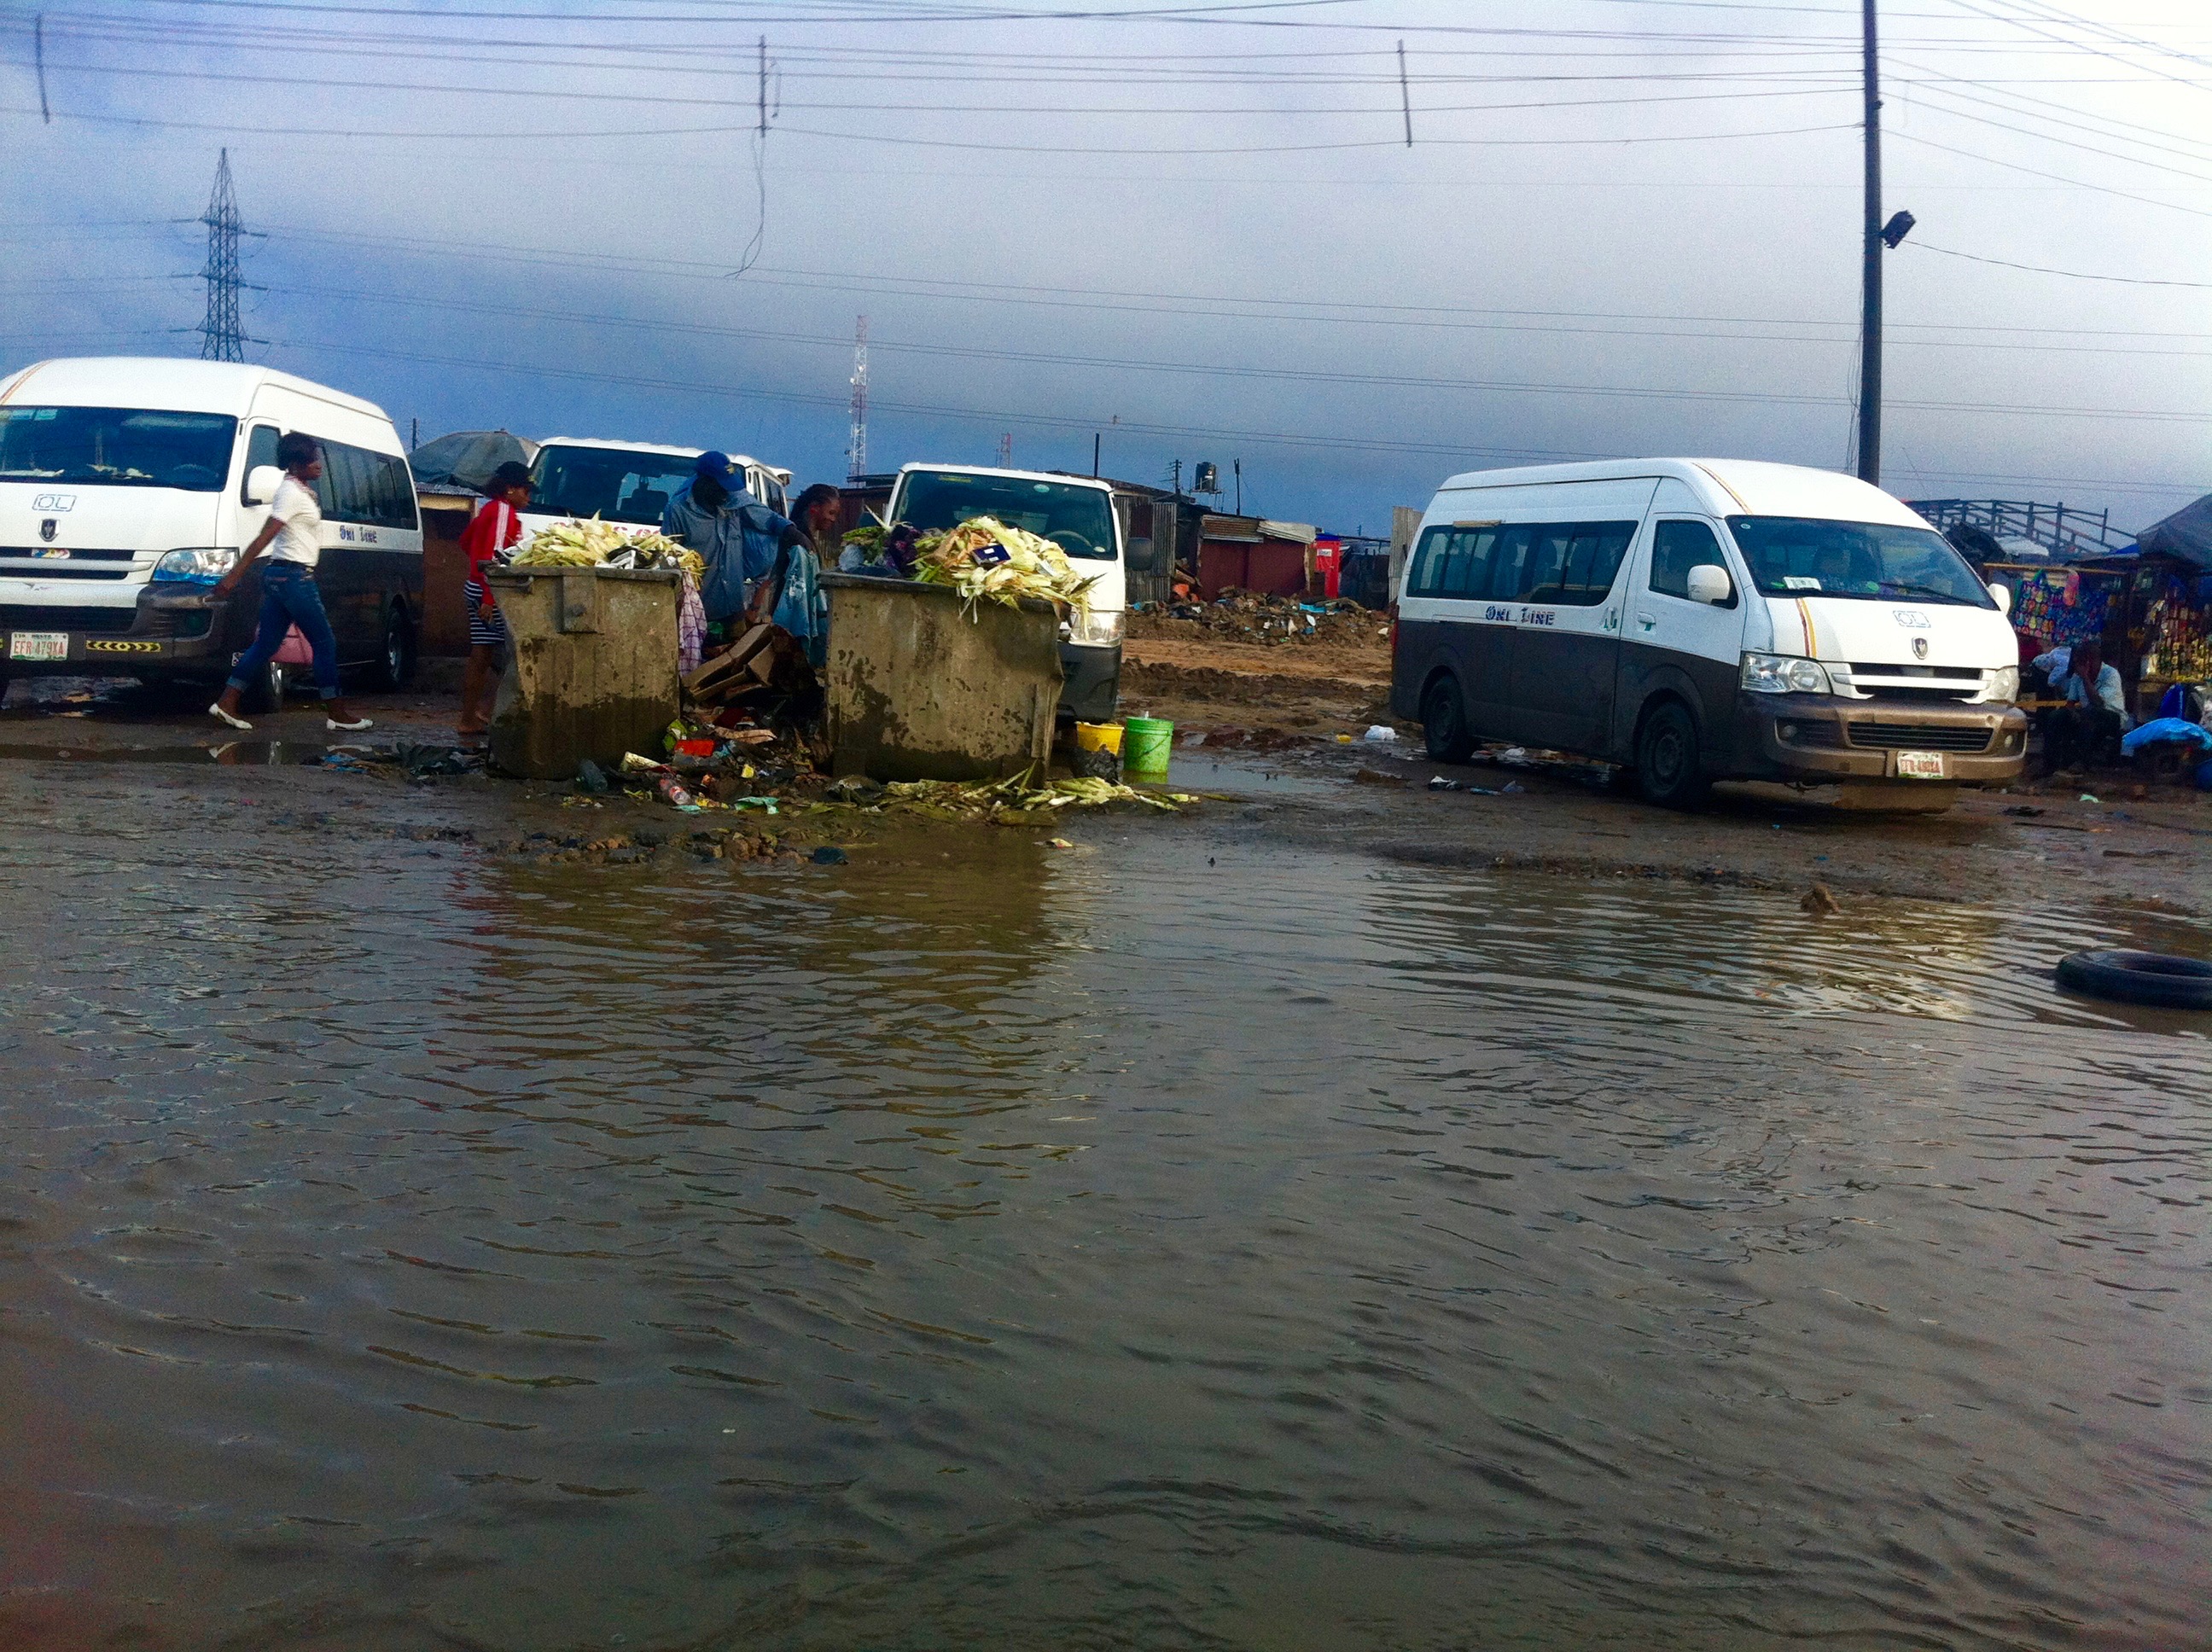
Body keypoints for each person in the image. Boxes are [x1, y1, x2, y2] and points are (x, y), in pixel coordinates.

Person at [207, 433, 371, 733]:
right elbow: (265, 536)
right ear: (296, 463)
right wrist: (234, 576)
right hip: (293, 577)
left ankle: (228, 701)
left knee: (267, 643)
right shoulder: (290, 493)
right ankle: (336, 712)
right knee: (324, 642)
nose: (319, 464)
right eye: (312, 459)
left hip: (283, 576)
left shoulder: (299, 490)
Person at [457, 459, 531, 736]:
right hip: (490, 592)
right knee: (490, 656)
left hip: (477, 586)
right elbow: (495, 558)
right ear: (511, 489)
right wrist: (489, 596)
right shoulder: (502, 511)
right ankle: (477, 714)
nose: (528, 498)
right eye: (526, 491)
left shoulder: (490, 509)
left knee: (484, 655)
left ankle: (476, 714)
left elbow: (466, 542)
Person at [2047, 641, 2128, 772]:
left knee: (2090, 712)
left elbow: (2098, 703)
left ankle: (2082, 762)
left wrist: (2085, 677)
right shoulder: (2076, 676)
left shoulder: (2111, 674)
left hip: (2112, 717)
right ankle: (2051, 764)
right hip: (2088, 715)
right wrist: (2071, 712)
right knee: (2056, 716)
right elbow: (2071, 702)